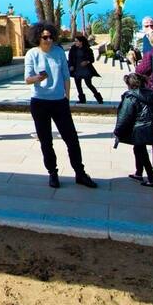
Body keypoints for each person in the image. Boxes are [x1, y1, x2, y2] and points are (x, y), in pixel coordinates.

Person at [25, 22, 97, 189]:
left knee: (72, 139)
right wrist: (38, 78)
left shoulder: (58, 52)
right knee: (46, 141)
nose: (48, 40)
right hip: (40, 102)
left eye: (51, 37)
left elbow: (66, 75)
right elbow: (27, 79)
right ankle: (53, 173)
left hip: (59, 102)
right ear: (37, 38)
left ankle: (80, 173)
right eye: (45, 37)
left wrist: (67, 97)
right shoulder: (32, 55)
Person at [114, 73, 153, 187]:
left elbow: (125, 116)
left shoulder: (130, 97)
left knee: (142, 152)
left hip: (140, 128)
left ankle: (151, 178)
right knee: (138, 149)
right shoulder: (152, 95)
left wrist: (117, 131)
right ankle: (139, 172)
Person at [67, 35, 104, 104]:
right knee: (78, 85)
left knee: (89, 84)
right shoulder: (73, 49)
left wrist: (87, 62)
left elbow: (92, 59)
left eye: (76, 41)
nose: (75, 43)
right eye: (75, 41)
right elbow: (70, 58)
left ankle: (99, 98)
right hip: (76, 70)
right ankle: (82, 100)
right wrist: (71, 66)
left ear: (81, 42)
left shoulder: (87, 49)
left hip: (86, 70)